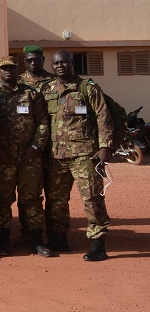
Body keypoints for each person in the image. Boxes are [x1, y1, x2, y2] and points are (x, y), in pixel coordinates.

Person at [42, 50, 112, 261]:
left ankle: (98, 243)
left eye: (64, 62)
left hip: (85, 154)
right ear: (52, 66)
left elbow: (103, 116)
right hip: (56, 155)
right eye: (56, 63)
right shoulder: (47, 90)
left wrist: (105, 146)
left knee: (92, 198)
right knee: (56, 200)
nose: (60, 66)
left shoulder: (87, 88)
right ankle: (58, 238)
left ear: (72, 63)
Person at [0, 57, 55, 258]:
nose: (8, 72)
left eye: (11, 68)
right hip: (2, 159)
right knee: (2, 200)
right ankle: (3, 240)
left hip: (29, 158)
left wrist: (36, 147)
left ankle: (36, 240)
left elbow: (43, 122)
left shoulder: (31, 94)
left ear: (18, 70)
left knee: (32, 199)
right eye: (4, 68)